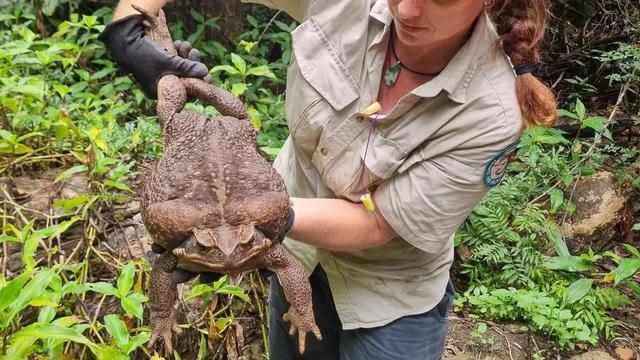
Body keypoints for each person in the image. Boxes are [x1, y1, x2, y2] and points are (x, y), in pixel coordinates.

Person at [100, 0, 557, 359]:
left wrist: (250, 218)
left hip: (386, 293)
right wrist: (130, 26)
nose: (409, 9)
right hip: (294, 256)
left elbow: (382, 224)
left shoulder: (492, 111)